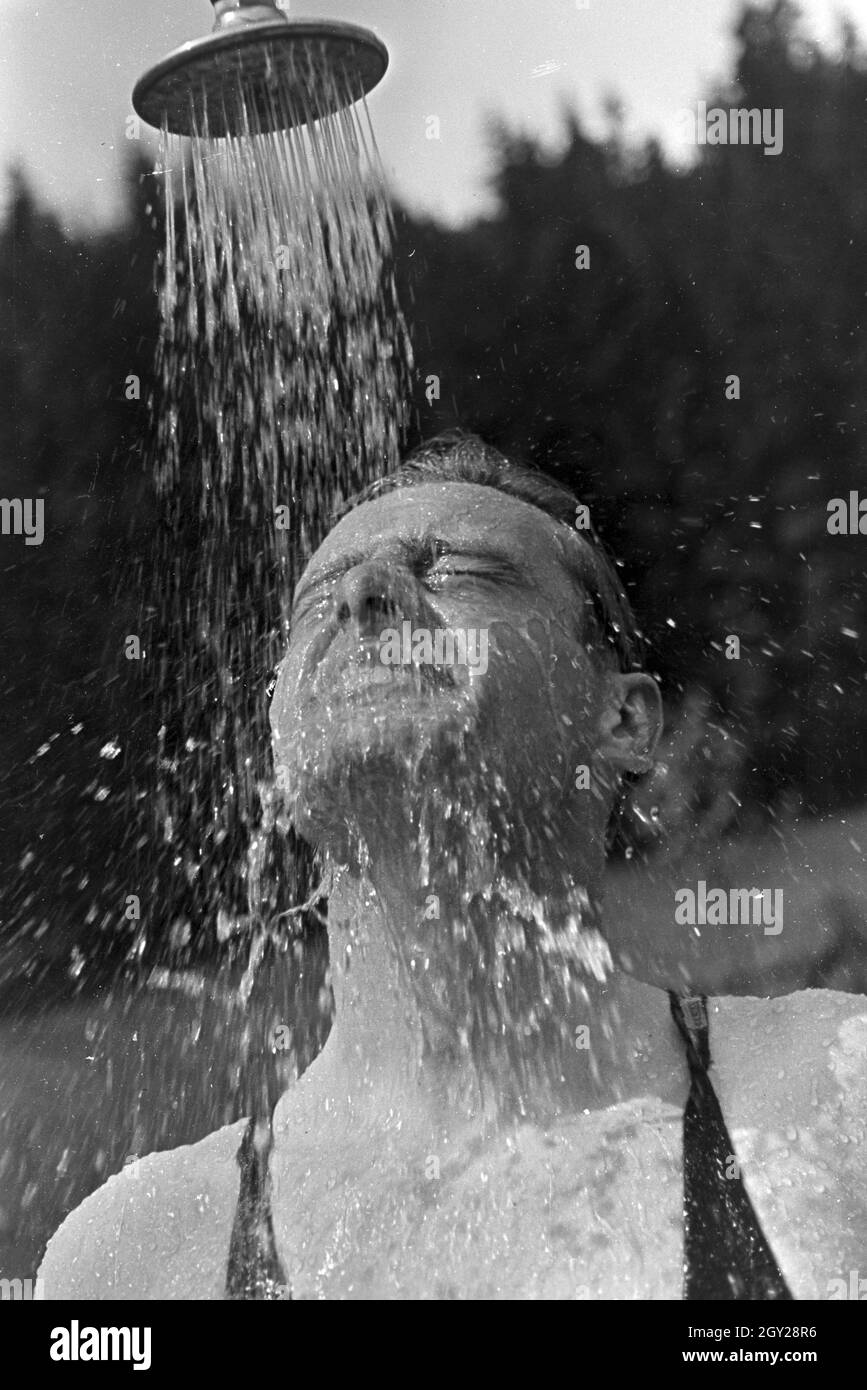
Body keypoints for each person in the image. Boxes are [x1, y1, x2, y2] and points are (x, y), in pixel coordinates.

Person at [40, 432, 867, 1300]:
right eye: (316, 601)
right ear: (278, 735)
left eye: (460, 572)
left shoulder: (834, 1096)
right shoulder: (138, 1255)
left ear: (621, 720)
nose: (361, 596)